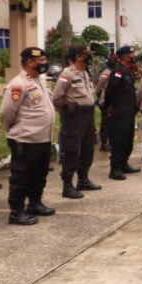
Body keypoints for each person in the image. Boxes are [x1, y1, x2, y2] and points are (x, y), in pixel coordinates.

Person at [0, 47, 57, 225]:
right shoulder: (18, 84)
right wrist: (13, 130)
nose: (45, 63)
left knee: (39, 174)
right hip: (25, 138)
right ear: (30, 62)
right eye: (41, 61)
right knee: (22, 176)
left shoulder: (40, 80)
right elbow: (6, 112)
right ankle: (16, 211)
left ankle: (35, 203)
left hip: (42, 137)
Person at [51, 44, 102, 198]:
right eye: (87, 54)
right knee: (72, 150)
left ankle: (83, 180)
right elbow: (57, 97)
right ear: (78, 57)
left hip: (88, 115)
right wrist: (67, 112)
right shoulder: (67, 74)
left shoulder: (85, 72)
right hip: (74, 116)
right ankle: (67, 186)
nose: (90, 57)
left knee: (87, 148)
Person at [103, 45, 141, 180]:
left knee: (128, 140)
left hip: (129, 111)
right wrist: (108, 106)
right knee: (119, 140)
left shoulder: (127, 71)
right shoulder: (117, 71)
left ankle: (124, 163)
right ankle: (115, 168)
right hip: (120, 111)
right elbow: (111, 90)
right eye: (131, 54)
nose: (133, 56)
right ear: (124, 56)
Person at [94, 53, 117, 152]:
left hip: (115, 102)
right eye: (112, 60)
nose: (113, 62)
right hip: (106, 102)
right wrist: (100, 97)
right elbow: (99, 87)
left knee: (113, 123)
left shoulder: (117, 72)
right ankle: (104, 143)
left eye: (115, 60)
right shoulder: (106, 73)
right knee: (106, 123)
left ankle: (112, 142)